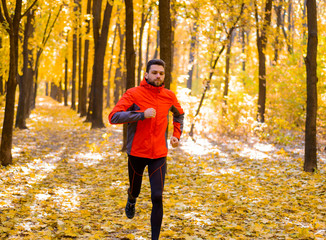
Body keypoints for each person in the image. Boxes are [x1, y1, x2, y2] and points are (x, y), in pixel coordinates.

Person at [108, 59, 184, 239]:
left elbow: (179, 115)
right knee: (136, 189)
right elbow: (113, 116)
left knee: (157, 196)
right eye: (155, 72)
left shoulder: (169, 96)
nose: (158, 76)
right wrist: (141, 115)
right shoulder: (133, 94)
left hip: (159, 154)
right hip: (136, 153)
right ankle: (131, 198)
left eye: (161, 73)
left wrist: (176, 135)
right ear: (146, 75)